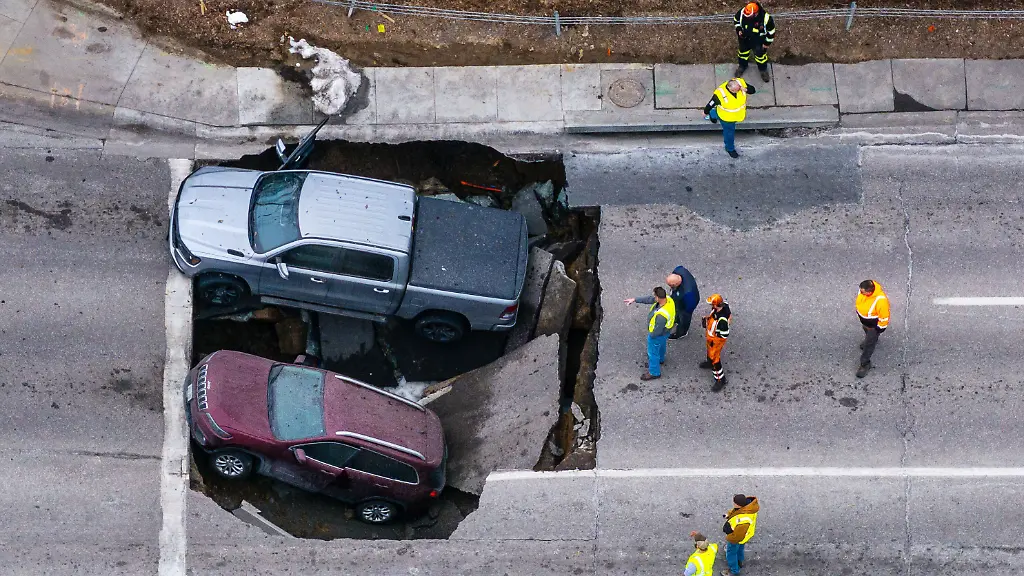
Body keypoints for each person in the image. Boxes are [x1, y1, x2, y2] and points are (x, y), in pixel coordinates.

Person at [624, 287, 677, 381]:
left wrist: (651, 336)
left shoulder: (661, 316)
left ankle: (654, 372)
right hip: (666, 332)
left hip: (657, 335)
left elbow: (657, 330)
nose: (653, 298)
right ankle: (660, 360)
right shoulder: (668, 299)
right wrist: (635, 299)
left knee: (652, 353)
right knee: (661, 346)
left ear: (658, 298)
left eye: (654, 296)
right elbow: (649, 299)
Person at [703, 79, 756, 159]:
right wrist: (705, 112)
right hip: (727, 118)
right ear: (731, 89)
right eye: (737, 89)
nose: (739, 90)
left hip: (737, 114)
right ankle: (730, 148)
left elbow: (753, 90)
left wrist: (746, 89)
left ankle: (712, 114)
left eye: (739, 88)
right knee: (729, 133)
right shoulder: (719, 95)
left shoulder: (741, 83)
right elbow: (710, 104)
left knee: (716, 113)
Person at [733, 1, 776, 82]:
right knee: (742, 54)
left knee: (760, 57)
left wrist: (767, 43)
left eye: (748, 16)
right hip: (744, 39)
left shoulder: (766, 19)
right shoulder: (743, 12)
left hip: (758, 42)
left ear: (755, 13)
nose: (746, 17)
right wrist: (739, 29)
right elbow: (736, 20)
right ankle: (742, 66)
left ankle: (763, 70)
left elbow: (771, 32)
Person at [855, 279, 890, 378]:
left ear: (869, 292)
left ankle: (865, 364)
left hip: (873, 327)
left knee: (869, 345)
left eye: (863, 292)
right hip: (865, 323)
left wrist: (878, 330)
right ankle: (871, 339)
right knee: (867, 335)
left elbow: (884, 318)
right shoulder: (863, 291)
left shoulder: (881, 301)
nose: (860, 293)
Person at [699, 294, 732, 392]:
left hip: (715, 341)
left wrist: (715, 340)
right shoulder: (721, 308)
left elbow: (724, 334)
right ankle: (709, 362)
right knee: (710, 353)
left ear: (716, 305)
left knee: (715, 359)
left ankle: (720, 380)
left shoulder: (722, 320)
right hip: (711, 339)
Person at [721, 494, 759, 576]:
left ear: (738, 504)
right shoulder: (748, 508)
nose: (733, 504)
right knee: (740, 548)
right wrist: (728, 514)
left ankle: (734, 570)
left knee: (731, 553)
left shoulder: (743, 521)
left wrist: (729, 538)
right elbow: (736, 512)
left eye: (734, 503)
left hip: (737, 538)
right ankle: (739, 561)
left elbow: (737, 536)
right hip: (745, 536)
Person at [667, 266, 700, 339]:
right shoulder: (679, 270)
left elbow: (690, 307)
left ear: (675, 284)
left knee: (684, 318)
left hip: (687, 305)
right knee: (677, 311)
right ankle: (676, 319)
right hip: (681, 301)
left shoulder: (688, 292)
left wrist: (685, 312)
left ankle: (682, 332)